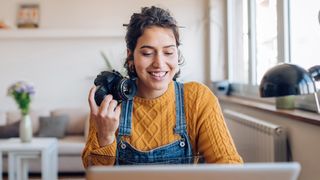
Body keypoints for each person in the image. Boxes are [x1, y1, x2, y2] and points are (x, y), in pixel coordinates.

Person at [82, 6, 243, 167]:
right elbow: (95, 175)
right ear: (130, 55)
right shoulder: (112, 102)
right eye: (147, 53)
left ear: (177, 54)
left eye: (168, 52)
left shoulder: (198, 99)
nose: (159, 63)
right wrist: (105, 136)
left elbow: (229, 165)